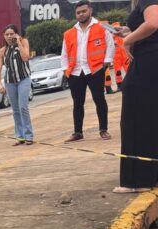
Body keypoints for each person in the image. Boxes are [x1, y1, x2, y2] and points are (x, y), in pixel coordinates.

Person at [112, 0, 158, 193]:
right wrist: (129, 31)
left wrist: (127, 40)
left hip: (147, 61)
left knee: (135, 119)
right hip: (150, 61)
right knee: (149, 118)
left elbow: (153, 23)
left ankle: (138, 181)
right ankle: (150, 176)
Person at [60, 0, 116, 143]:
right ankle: (78, 132)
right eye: (78, 12)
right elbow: (64, 54)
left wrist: (107, 61)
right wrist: (65, 70)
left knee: (99, 99)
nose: (81, 14)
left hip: (95, 70)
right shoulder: (69, 33)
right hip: (75, 72)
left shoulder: (101, 28)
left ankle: (103, 130)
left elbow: (110, 45)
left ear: (90, 10)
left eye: (84, 11)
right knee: (77, 103)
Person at [0, 24, 34, 146]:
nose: (9, 36)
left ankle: (28, 135)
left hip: (23, 79)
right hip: (10, 82)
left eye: (11, 33)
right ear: (4, 36)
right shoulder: (2, 51)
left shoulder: (24, 42)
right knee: (15, 110)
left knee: (23, 107)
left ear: (16, 34)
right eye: (7, 34)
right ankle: (20, 136)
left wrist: (18, 43)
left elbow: (26, 58)